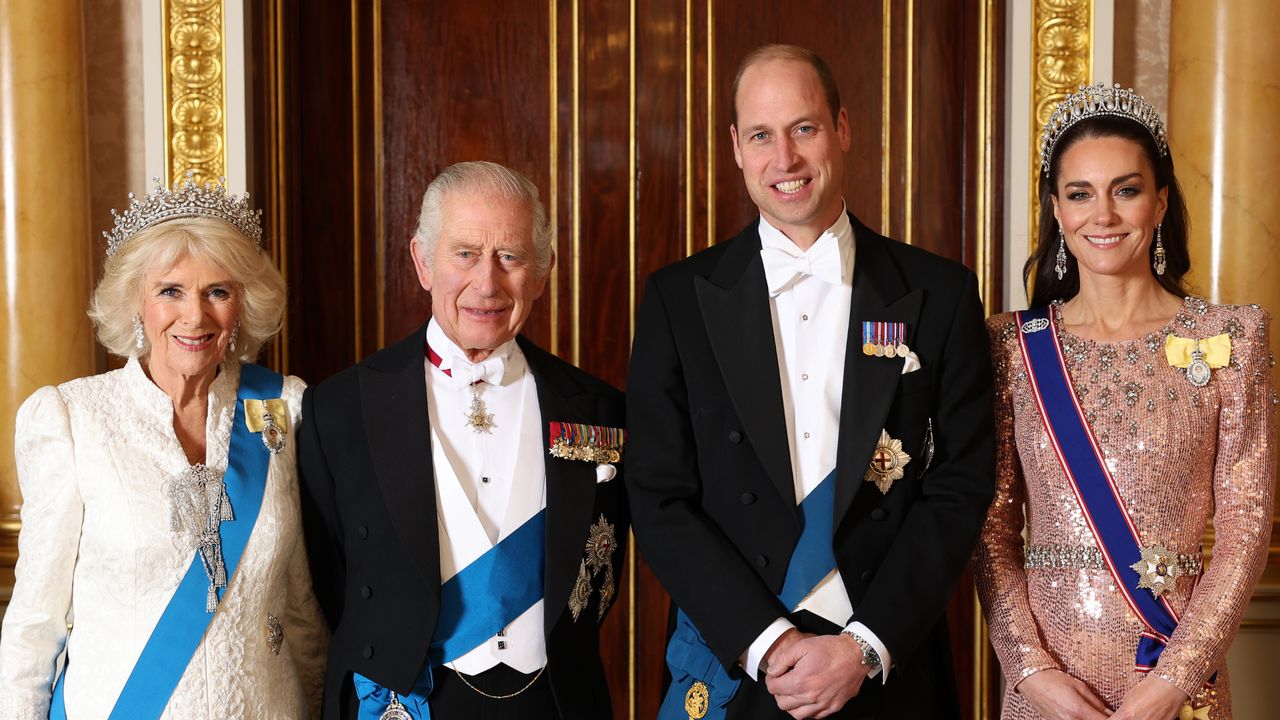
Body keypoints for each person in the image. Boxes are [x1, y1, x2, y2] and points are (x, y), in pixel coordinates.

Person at [626, 44, 995, 719]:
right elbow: (656, 497)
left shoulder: (939, 293)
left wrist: (864, 647)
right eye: (762, 136)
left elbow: (961, 484)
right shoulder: (678, 300)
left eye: (804, 128)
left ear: (843, 129)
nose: (785, 159)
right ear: (736, 147)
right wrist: (767, 642)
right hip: (738, 668)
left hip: (887, 669)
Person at [975, 83, 1275, 720]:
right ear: (1056, 210)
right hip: (1049, 695)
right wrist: (1029, 670)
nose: (1102, 216)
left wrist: (1175, 680)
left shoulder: (1231, 337)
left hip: (1177, 684)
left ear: (1161, 200)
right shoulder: (1011, 348)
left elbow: (1246, 529)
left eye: (1126, 190)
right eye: (1080, 194)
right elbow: (992, 530)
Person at [298, 161, 627, 719]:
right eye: (465, 253)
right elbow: (328, 584)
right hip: (403, 702)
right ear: (423, 262)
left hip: (553, 704)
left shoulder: (599, 410)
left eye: (510, 256)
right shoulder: (339, 409)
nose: (487, 283)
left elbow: (601, 574)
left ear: (543, 272)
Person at [0, 174, 328, 718]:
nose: (194, 316)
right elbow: (35, 625)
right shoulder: (72, 419)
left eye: (216, 291)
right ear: (137, 302)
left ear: (243, 303)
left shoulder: (283, 410)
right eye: (170, 291)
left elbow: (302, 607)